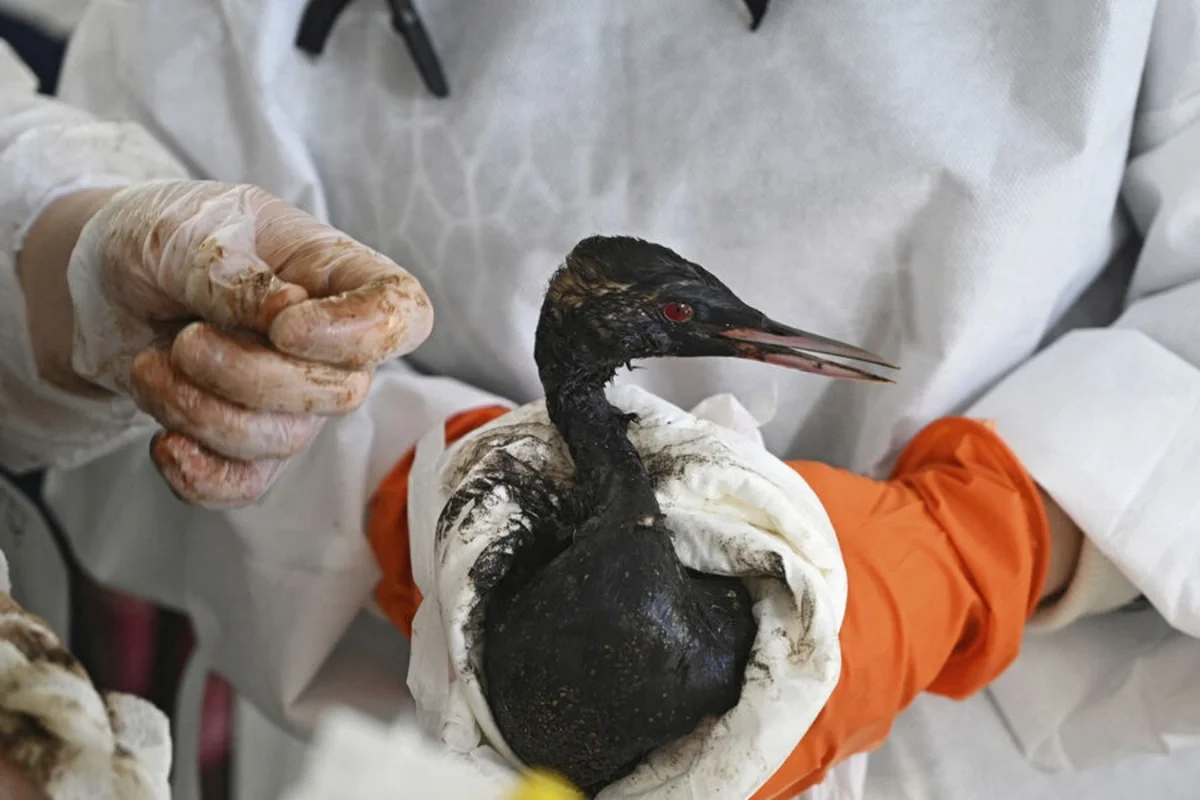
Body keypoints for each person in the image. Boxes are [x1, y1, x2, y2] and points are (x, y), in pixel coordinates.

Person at [0, 0, 1198, 796]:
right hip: (407, 739)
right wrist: (403, 497)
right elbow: (137, 326)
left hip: (980, 741)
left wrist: (982, 542)